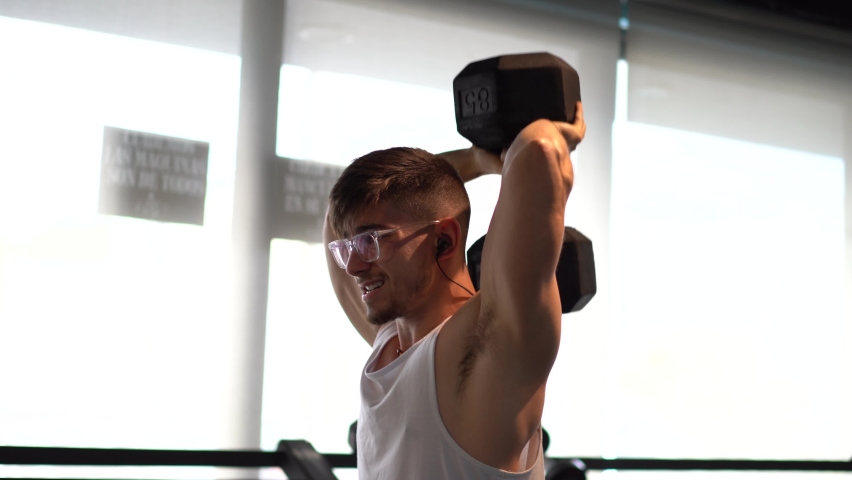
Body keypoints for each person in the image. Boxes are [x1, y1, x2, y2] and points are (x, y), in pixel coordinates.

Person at [323, 103, 586, 479]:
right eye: (350, 246)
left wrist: (547, 133)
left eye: (369, 241)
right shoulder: (388, 344)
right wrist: (477, 160)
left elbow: (539, 148)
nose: (352, 265)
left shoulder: (488, 352)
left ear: (444, 240)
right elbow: (333, 227)